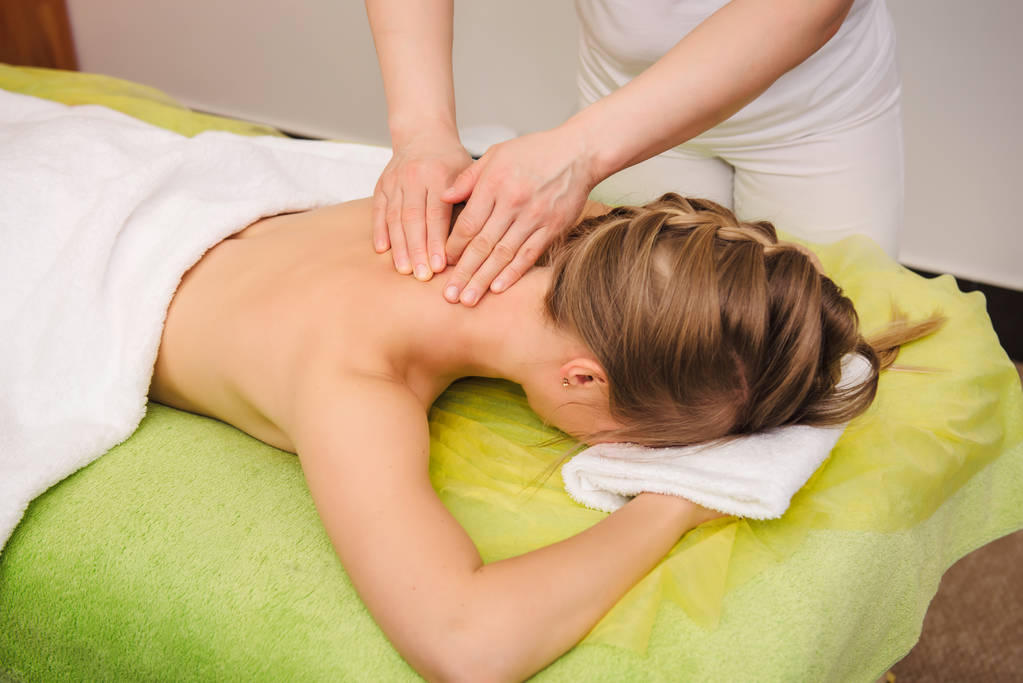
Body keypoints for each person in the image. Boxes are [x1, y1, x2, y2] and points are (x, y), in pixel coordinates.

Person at [149, 190, 937, 680]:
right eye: (650, 436)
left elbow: (728, 276)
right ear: (584, 378)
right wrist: (674, 501)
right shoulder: (353, 379)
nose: (651, 450)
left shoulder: (567, 232)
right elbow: (466, 646)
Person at [365, 0, 904, 308]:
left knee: (830, 334)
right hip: (623, 96)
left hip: (813, 109)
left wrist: (578, 152)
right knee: (631, 323)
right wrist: (421, 130)